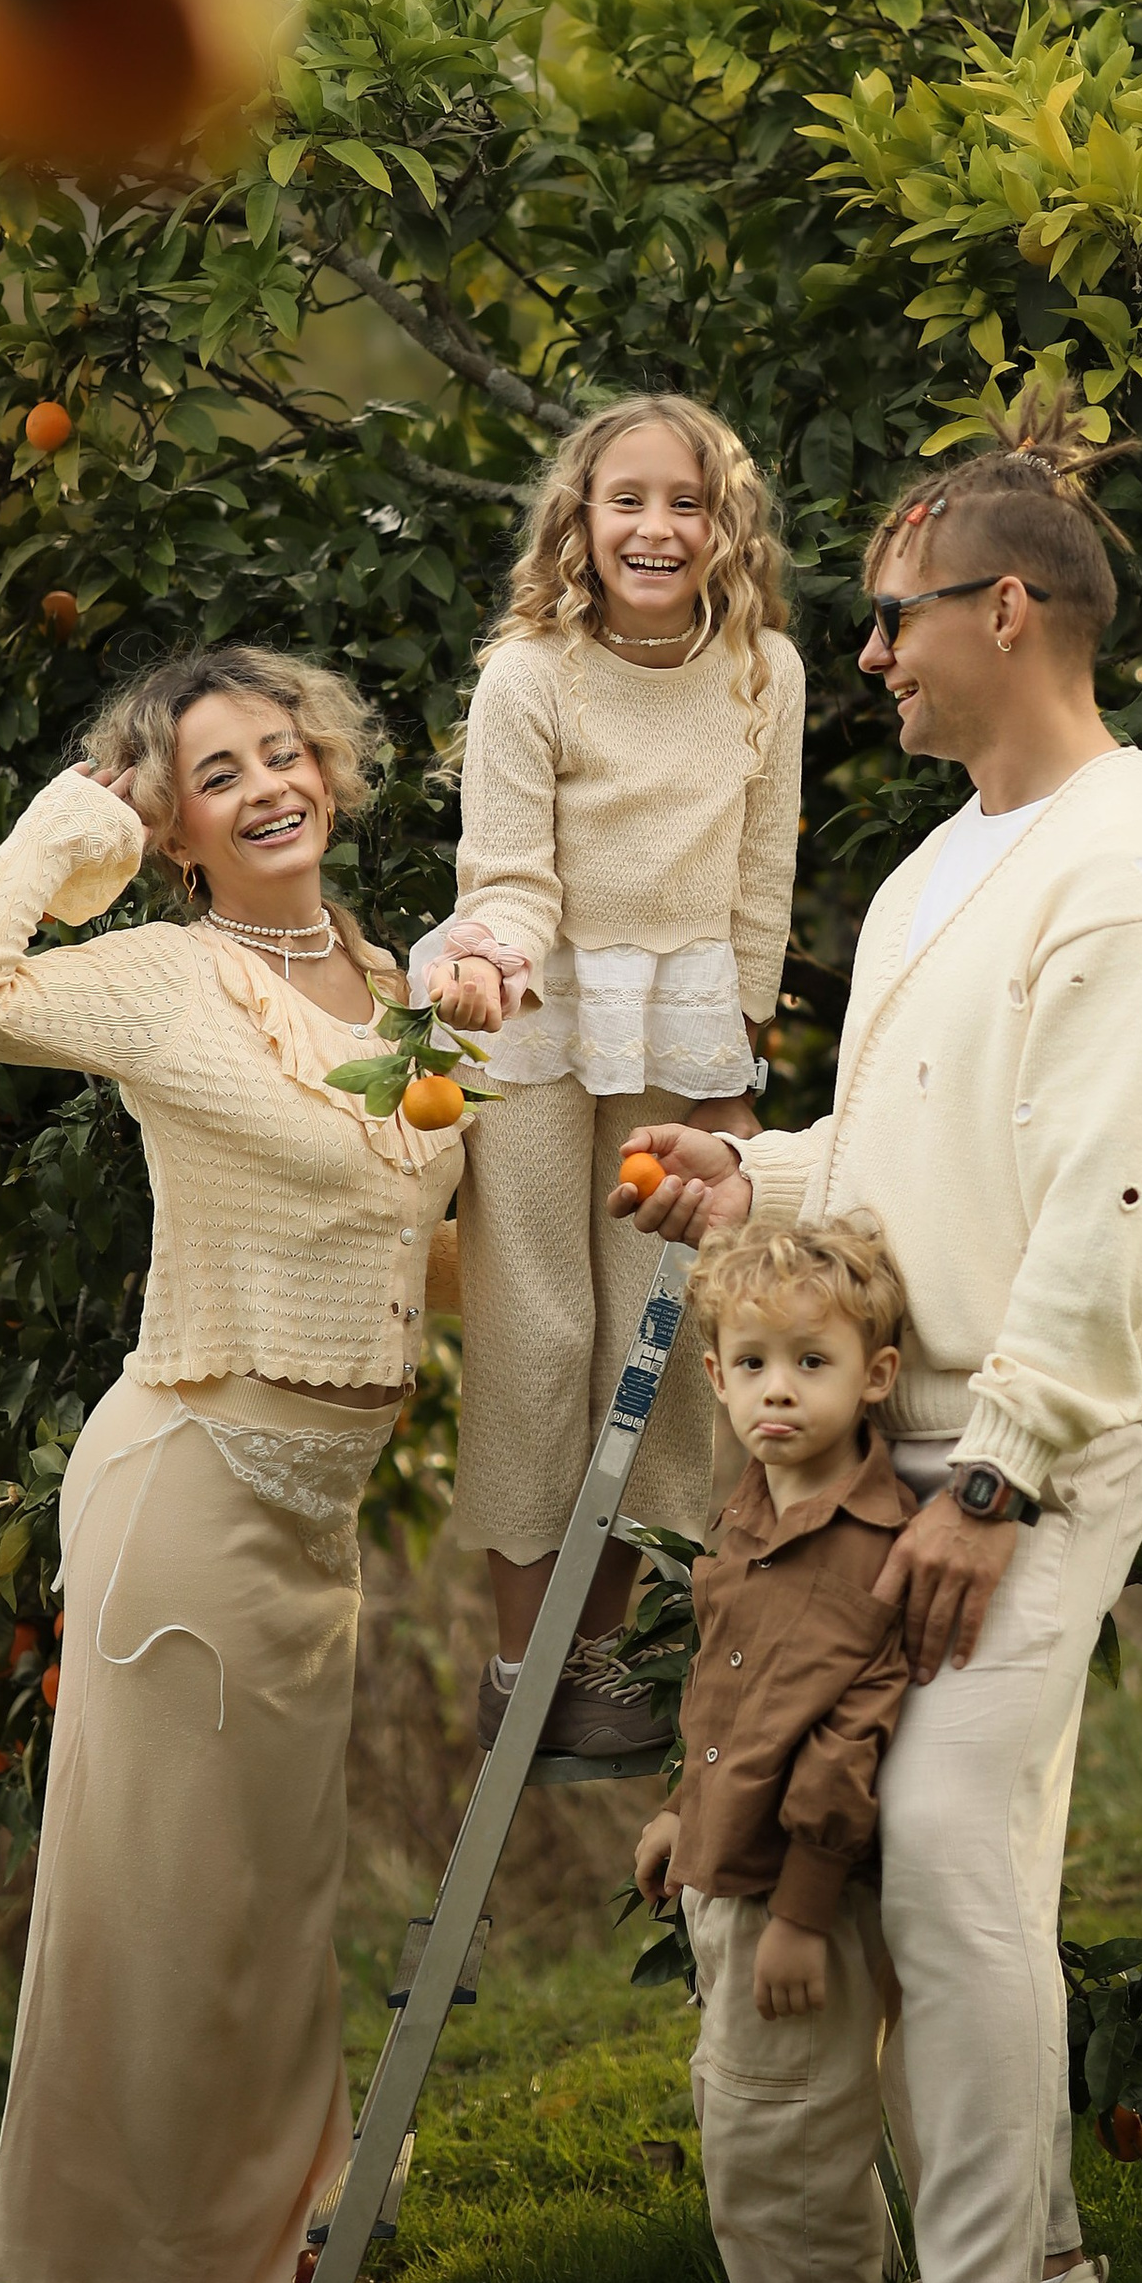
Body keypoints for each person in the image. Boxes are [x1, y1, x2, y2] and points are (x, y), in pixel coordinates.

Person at [617, 404, 1142, 2283]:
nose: (864, 654)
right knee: (934, 1850)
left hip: (1027, 1439)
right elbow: (923, 1158)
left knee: (938, 1832)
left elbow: (1113, 1193)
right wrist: (762, 1174)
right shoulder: (934, 866)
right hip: (901, 1443)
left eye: (891, 620)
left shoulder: (1135, 872)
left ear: (1008, 610)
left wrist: (989, 1478)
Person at [0, 642, 455, 2283]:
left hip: (316, 1503)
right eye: (220, 775)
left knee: (264, 1895)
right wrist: (87, 828)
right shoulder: (161, 976)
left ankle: (185, 2276)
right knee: (181, 1897)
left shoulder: (414, 983)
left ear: (334, 772)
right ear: (181, 823)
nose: (269, 785)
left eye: (287, 752)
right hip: (194, 1471)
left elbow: (430, 1232)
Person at [419, 394, 806, 1759]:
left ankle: (616, 1659)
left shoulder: (766, 670)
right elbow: (511, 873)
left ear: (725, 524)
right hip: (537, 1029)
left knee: (659, 1338)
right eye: (626, 499)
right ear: (580, 520)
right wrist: (493, 962)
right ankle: (527, 1659)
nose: (655, 526)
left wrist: (734, 1066)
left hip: (678, 1031)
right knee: (541, 1335)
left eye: (685, 502)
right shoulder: (532, 673)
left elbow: (763, 881)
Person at [633, 1217, 914, 2283]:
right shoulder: (752, 1509)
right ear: (714, 1379)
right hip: (726, 1870)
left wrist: (801, 1907)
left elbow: (849, 1743)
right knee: (778, 2119)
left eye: (810, 1363)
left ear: (878, 1377)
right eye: (751, 1366)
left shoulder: (873, 1546)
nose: (777, 1392)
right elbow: (725, 1690)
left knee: (774, 2143)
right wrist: (678, 1818)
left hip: (786, 1900)